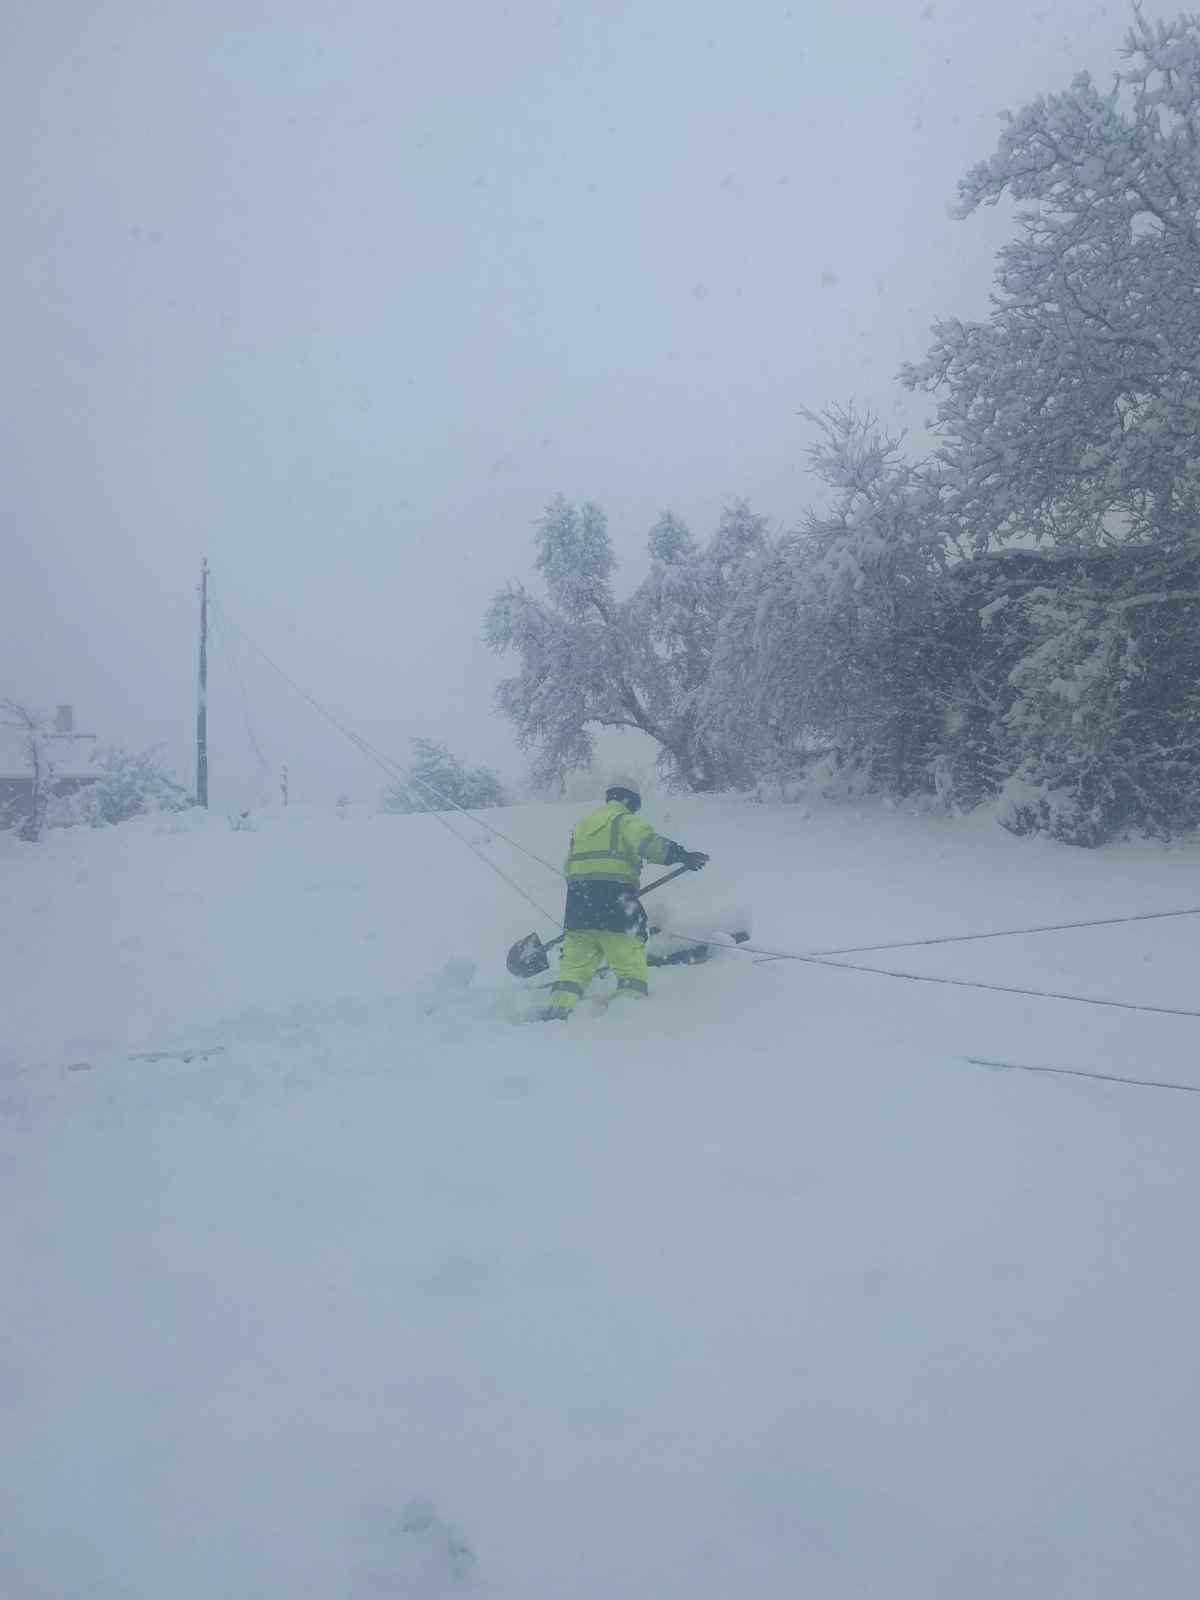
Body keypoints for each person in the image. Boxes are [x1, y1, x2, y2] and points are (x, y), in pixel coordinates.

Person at [541, 775, 709, 1020]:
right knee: (630, 970)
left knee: (573, 970)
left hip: (578, 906)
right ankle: (624, 1023)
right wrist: (683, 855)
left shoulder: (583, 825)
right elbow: (650, 845)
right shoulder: (625, 821)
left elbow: (570, 866)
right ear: (631, 800)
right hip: (617, 904)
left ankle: (557, 1012)